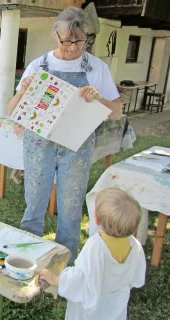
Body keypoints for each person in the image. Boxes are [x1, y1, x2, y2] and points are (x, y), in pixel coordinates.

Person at [7, 7, 122, 264]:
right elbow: (13, 111)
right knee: (34, 204)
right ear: (55, 36)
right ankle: (28, 261)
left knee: (71, 208)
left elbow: (116, 113)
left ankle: (66, 267)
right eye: (66, 41)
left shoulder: (96, 68)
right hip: (38, 144)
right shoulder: (39, 65)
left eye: (79, 41)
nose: (72, 47)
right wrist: (23, 90)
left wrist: (98, 98)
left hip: (77, 147)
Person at [40, 188, 146, 320]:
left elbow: (81, 277)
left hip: (93, 307)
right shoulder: (135, 245)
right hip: (116, 302)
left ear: (96, 220)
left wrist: (56, 280)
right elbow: (137, 276)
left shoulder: (96, 246)